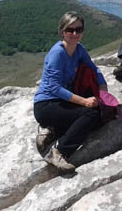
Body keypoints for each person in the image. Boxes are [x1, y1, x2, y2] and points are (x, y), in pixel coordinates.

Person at [33, 11, 108, 172]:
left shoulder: (79, 49)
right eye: (70, 30)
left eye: (78, 29)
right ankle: (59, 151)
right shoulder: (57, 53)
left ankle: (52, 130)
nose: (74, 34)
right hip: (46, 105)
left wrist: (103, 89)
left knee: (100, 115)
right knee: (90, 114)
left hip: (62, 102)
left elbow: (93, 69)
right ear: (62, 31)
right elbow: (54, 88)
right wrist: (84, 101)